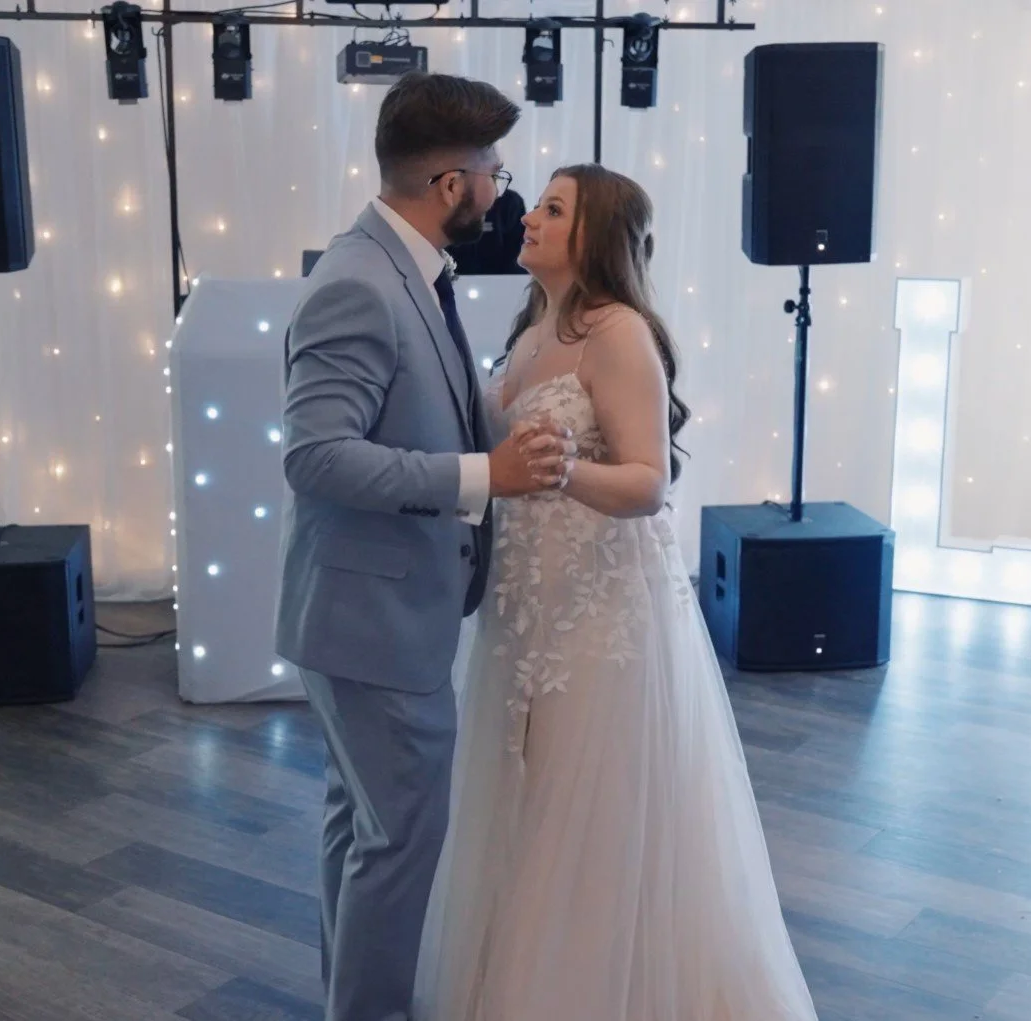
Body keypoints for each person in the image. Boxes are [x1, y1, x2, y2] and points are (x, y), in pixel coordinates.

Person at [416, 165, 819, 1020]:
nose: (529, 219)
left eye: (552, 210)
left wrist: (559, 475)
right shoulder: (530, 330)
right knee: (521, 791)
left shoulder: (618, 332)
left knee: (589, 801)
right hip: (524, 603)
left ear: (592, 236)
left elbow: (647, 482)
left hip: (598, 611)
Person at [276, 73, 573, 1021]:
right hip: (373, 621)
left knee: (361, 828)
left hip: (367, 615)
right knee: (399, 838)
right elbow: (317, 457)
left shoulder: (403, 269)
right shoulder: (360, 283)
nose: (501, 190)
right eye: (492, 171)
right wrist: (488, 479)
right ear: (451, 184)